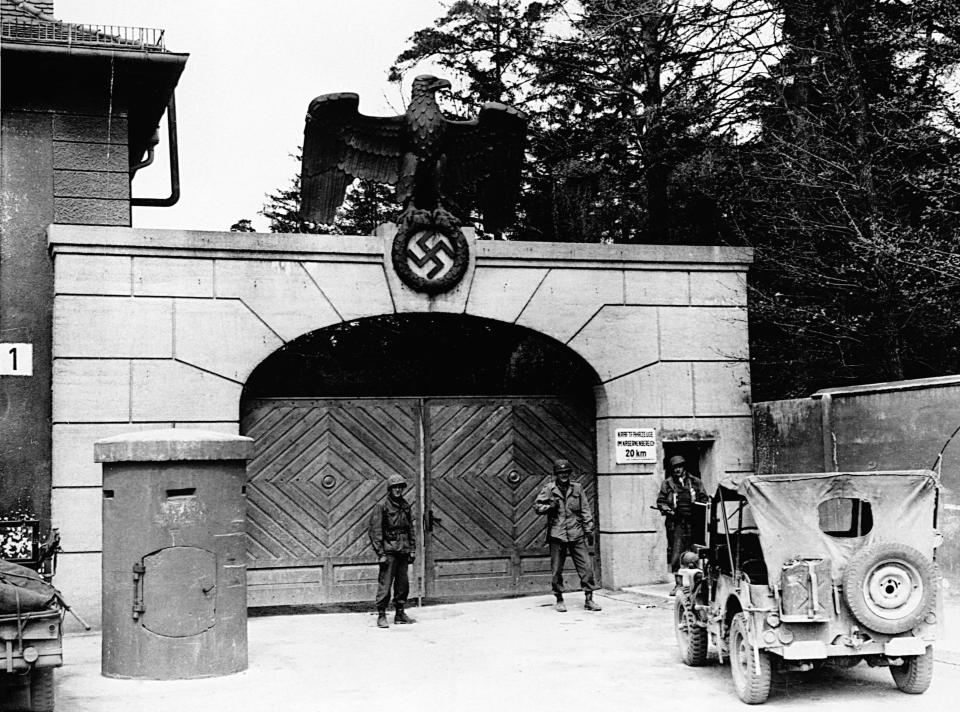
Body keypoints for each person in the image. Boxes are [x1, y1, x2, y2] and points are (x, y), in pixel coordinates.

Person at [533, 458, 602, 612]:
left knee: (586, 567)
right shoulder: (549, 489)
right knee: (557, 569)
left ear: (570, 473)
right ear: (556, 474)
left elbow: (585, 509)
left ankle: (589, 599)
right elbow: (537, 507)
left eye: (566, 472)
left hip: (576, 533)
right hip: (557, 534)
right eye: (560, 473)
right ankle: (559, 598)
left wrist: (589, 529)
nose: (563, 475)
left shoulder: (577, 488)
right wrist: (549, 506)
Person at [368, 474, 416, 628]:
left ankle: (400, 614)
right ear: (390, 489)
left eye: (400, 487)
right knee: (385, 584)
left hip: (403, 550)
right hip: (389, 551)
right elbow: (375, 531)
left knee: (403, 584)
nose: (398, 490)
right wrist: (380, 553)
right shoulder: (382, 506)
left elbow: (410, 529)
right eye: (395, 487)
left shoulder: (405, 505)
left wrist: (412, 549)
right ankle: (381, 615)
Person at [656, 454, 709, 594]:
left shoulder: (696, 482)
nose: (677, 470)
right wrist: (667, 509)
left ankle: (698, 585)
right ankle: (678, 584)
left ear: (684, 467)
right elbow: (660, 501)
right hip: (676, 523)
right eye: (675, 468)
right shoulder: (667, 484)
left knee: (697, 552)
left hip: (695, 523)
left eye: (679, 467)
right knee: (676, 553)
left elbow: (705, 499)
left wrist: (699, 506)